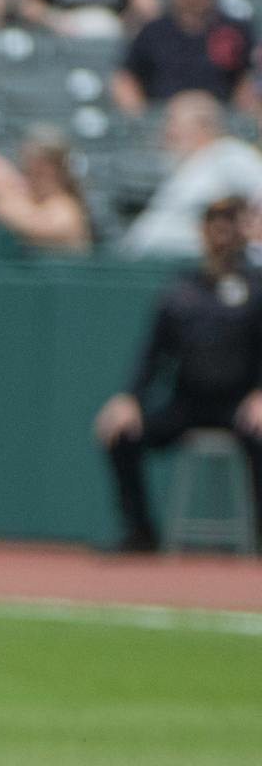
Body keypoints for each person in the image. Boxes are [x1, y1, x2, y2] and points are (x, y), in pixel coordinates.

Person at [94, 195, 262, 551]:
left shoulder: (256, 286)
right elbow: (152, 355)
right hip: (188, 403)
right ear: (202, 232)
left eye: (229, 225)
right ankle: (140, 531)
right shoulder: (181, 290)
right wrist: (128, 397)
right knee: (121, 435)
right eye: (214, 225)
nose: (221, 235)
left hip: (239, 405)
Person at [119, 91, 262, 256]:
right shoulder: (188, 165)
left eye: (173, 121)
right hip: (157, 264)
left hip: (198, 268)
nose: (167, 131)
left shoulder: (230, 154)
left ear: (203, 125)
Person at [111, 0, 256, 114]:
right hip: (163, 117)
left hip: (217, 117)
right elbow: (126, 77)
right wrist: (140, 116)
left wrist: (241, 117)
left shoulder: (233, 30)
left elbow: (247, 79)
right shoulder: (153, 31)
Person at [0, 130, 95, 252]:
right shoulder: (31, 201)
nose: (32, 176)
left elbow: (35, 227)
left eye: (40, 170)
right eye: (28, 168)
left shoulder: (66, 208)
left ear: (57, 171)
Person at [15, 0, 160, 41]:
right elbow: (28, 3)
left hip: (112, 28)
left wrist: (125, 22)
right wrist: (53, 20)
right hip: (58, 31)